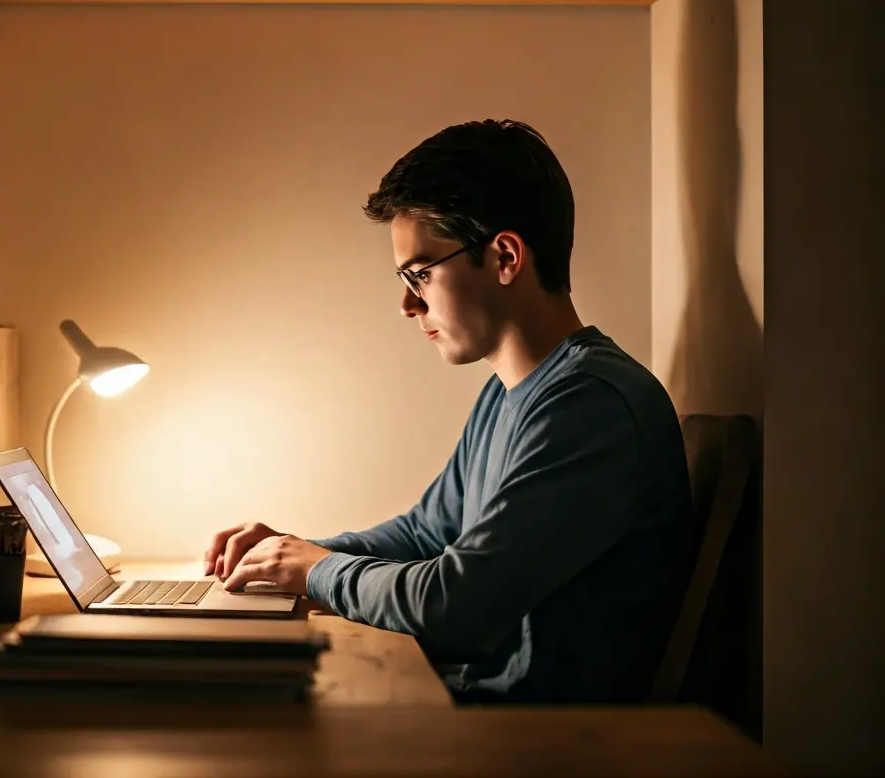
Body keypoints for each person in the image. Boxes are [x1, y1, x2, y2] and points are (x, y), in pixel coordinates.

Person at [202, 120, 694, 704]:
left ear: (505, 256)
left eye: (421, 273)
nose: (409, 305)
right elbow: (425, 533)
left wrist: (313, 569)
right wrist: (286, 553)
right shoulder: (513, 392)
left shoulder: (591, 406)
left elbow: (453, 605)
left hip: (535, 744)